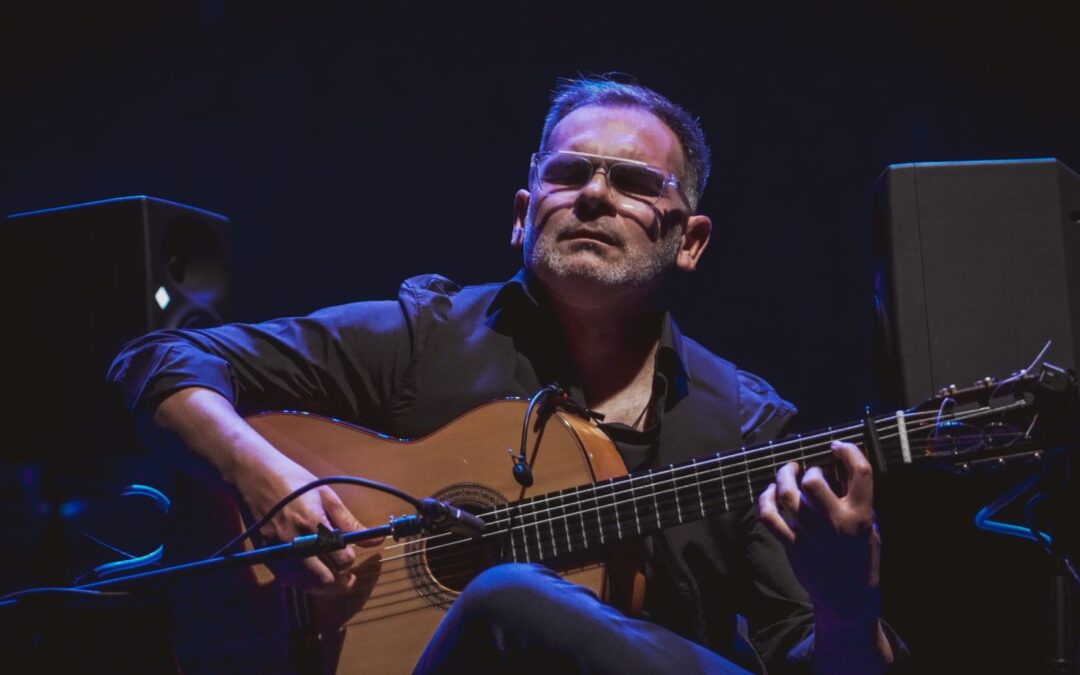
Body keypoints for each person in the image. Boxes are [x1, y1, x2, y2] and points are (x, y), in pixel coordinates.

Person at [109, 77, 904, 673]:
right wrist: (261, 476)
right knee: (504, 594)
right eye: (571, 173)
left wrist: (845, 606)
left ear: (688, 241)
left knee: (506, 593)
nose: (594, 193)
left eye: (632, 184)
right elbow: (158, 358)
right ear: (524, 213)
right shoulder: (429, 336)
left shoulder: (744, 425)